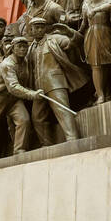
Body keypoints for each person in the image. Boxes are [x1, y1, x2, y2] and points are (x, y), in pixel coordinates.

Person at [25, 17, 87, 145]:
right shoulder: (31, 48)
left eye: (41, 27)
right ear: (30, 30)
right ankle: (47, 144)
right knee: (37, 118)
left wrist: (70, 32)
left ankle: (72, 139)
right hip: (39, 87)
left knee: (63, 111)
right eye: (35, 27)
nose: (39, 29)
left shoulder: (55, 39)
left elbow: (76, 42)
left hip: (55, 83)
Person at [80, 0, 111, 102]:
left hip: (106, 33)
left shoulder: (108, 0)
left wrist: (96, 10)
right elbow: (84, 22)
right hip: (92, 35)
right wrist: (77, 33)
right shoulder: (87, 5)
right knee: (96, 66)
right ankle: (100, 94)